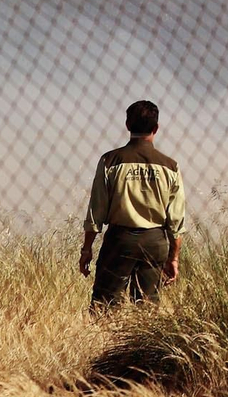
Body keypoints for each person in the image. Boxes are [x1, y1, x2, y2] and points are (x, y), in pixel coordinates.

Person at [78, 100, 186, 309]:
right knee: (147, 308)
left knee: (105, 306)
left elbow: (96, 211)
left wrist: (87, 249)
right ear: (156, 128)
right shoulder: (170, 166)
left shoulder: (110, 161)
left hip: (120, 240)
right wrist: (173, 258)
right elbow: (176, 220)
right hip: (155, 241)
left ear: (127, 125)